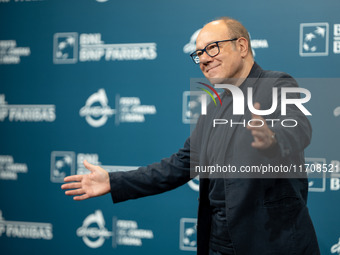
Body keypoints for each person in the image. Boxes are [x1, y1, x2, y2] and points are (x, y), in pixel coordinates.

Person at [62, 17, 320, 255]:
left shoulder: (276, 84)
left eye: (212, 48)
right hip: (218, 244)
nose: (204, 59)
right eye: (198, 54)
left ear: (241, 46)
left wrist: (271, 139)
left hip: (270, 243)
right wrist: (115, 181)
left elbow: (298, 129)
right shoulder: (214, 108)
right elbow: (181, 164)